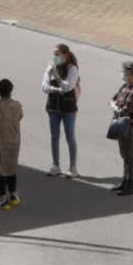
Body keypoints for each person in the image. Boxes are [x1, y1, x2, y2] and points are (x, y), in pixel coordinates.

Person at [43, 43, 81, 178]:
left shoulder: (72, 69)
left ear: (65, 54)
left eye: (57, 54)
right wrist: (57, 89)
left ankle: (73, 168)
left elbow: (68, 87)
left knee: (70, 137)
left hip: (68, 109)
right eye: (53, 54)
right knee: (54, 136)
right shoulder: (50, 66)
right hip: (53, 107)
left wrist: (57, 77)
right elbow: (44, 86)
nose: (54, 57)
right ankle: (55, 165)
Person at [0, 79, 24, 210]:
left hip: (0, 141)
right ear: (11, 90)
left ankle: (2, 200)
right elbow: (20, 117)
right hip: (14, 141)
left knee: (0, 170)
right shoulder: (17, 105)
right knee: (11, 168)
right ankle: (14, 196)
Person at [110, 61, 133, 197]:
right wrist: (115, 105)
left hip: (130, 127)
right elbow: (113, 99)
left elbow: (125, 110)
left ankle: (130, 185)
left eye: (124, 72)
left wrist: (115, 107)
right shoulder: (125, 86)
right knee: (124, 155)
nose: (122, 74)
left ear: (130, 73)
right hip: (120, 124)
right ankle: (124, 181)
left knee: (129, 156)